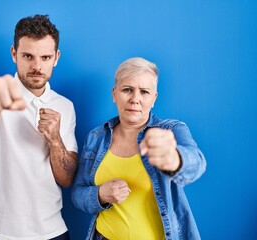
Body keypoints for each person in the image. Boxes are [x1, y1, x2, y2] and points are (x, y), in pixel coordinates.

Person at [0, 15, 78, 240]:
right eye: (28, 56)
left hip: (51, 231)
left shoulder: (65, 106)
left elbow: (66, 179)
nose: (37, 66)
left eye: (45, 57)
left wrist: (55, 139)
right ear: (14, 54)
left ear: (56, 58)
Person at [71, 57, 206, 240]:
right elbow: (77, 193)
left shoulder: (171, 130)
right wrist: (100, 194)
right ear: (114, 93)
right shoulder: (96, 137)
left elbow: (197, 163)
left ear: (154, 98)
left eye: (144, 92)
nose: (135, 99)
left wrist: (175, 159)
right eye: (127, 90)